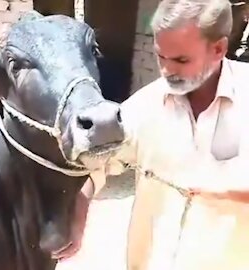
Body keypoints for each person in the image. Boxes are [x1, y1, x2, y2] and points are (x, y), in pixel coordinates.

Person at [54, 0, 249, 269]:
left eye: (181, 60)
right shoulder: (147, 105)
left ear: (218, 49)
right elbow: (98, 163)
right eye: (161, 57)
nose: (167, 71)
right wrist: (79, 206)